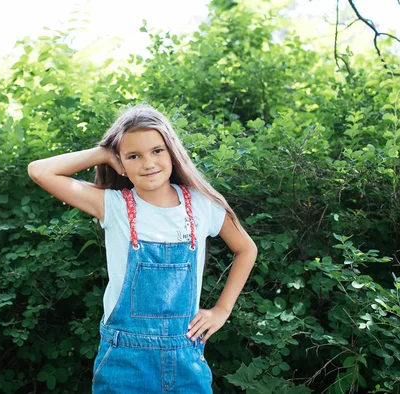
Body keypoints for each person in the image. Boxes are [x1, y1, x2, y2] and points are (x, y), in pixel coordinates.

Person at [27, 104, 258, 393]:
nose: (148, 163)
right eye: (134, 156)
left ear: (172, 152)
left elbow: (246, 249)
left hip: (185, 356)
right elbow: (39, 170)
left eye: (157, 151)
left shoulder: (201, 205)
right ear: (120, 164)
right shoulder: (113, 205)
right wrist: (104, 151)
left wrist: (222, 310)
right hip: (125, 359)